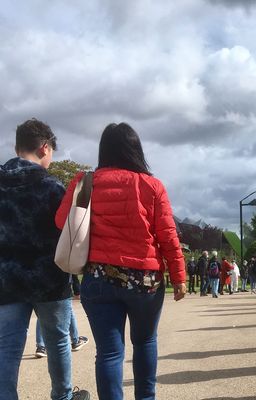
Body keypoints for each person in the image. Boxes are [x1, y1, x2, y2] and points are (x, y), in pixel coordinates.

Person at [55, 122, 186, 400]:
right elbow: (168, 236)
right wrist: (179, 277)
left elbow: (61, 222)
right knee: (146, 341)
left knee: (110, 353)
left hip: (99, 277)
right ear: (135, 150)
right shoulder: (152, 185)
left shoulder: (84, 182)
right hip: (145, 280)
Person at [0, 119, 90, 400]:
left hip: (7, 278)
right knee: (58, 341)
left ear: (17, 147)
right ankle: (62, 396)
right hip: (49, 278)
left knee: (7, 346)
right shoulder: (52, 187)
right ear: (44, 147)